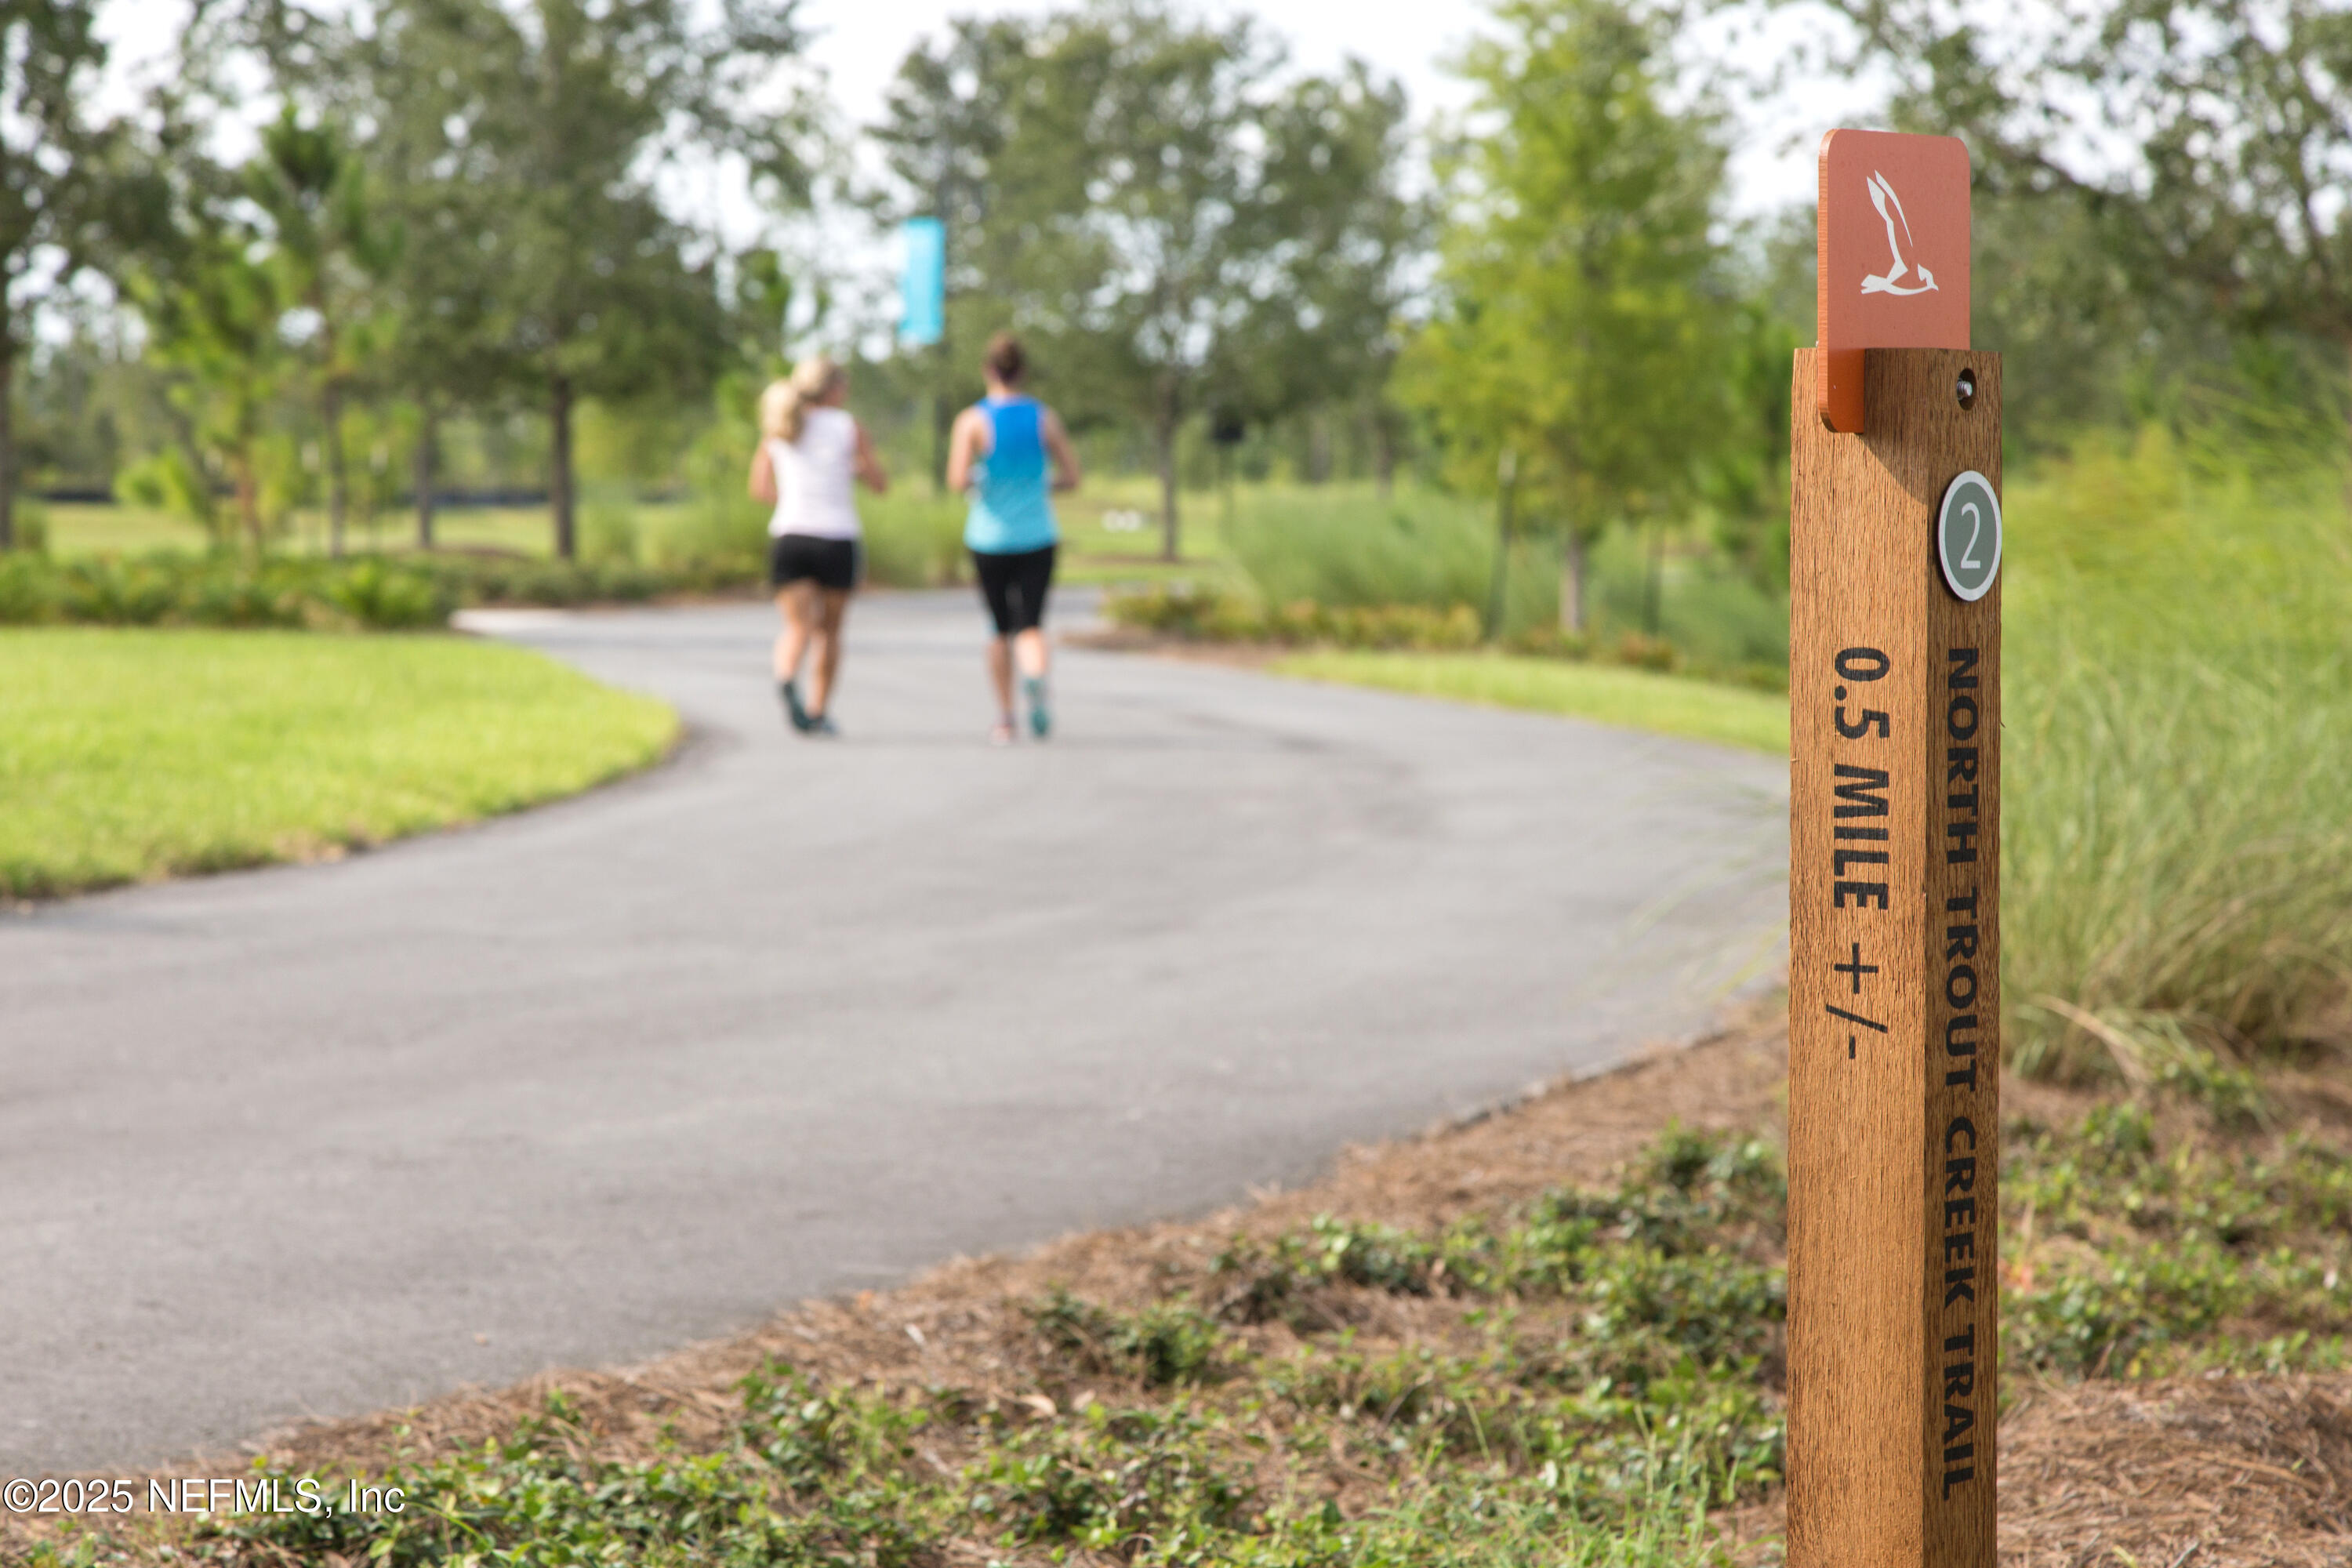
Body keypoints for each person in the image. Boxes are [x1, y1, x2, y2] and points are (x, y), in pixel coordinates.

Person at [947, 332, 1081, 743]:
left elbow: (956, 479)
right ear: (1021, 371)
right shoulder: (1045, 418)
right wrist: (1040, 484)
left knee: (998, 626)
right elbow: (1071, 477)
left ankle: (1005, 717)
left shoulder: (972, 421)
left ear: (988, 370)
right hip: (1038, 534)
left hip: (989, 538)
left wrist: (983, 479)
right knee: (1032, 624)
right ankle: (1037, 678)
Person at [748, 356, 887, 735]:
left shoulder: (779, 426)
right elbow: (879, 482)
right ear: (833, 389)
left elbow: (760, 488)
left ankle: (785, 674)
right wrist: (858, 473)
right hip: (837, 537)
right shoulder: (847, 426)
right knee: (829, 632)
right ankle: (818, 710)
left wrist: (790, 498)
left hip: (791, 535)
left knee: (796, 628)